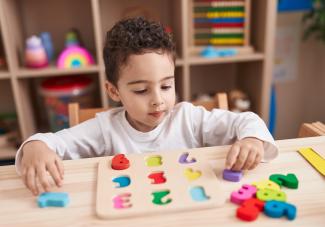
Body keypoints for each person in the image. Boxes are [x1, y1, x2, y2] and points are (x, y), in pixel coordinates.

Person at [15, 17, 278, 196]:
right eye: (141, 90)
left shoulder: (189, 118)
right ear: (113, 91)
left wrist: (252, 139)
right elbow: (51, 143)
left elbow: (247, 121)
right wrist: (34, 146)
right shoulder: (105, 129)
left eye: (166, 86)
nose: (158, 100)